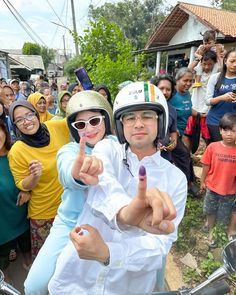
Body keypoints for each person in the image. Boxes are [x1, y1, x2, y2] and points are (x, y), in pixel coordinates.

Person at [48, 82, 187, 295]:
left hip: (129, 286)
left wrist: (108, 253)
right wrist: (126, 214)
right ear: (120, 126)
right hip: (78, 280)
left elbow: (160, 247)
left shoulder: (176, 179)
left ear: (161, 122)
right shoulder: (107, 149)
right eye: (130, 118)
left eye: (147, 116)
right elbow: (104, 185)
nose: (138, 124)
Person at [25, 90, 114, 295]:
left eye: (94, 120)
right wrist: (78, 173)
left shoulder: (120, 148)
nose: (89, 128)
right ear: (73, 129)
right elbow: (68, 173)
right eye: (80, 124)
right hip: (70, 223)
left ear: (106, 119)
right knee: (34, 286)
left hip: (109, 225)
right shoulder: (70, 151)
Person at [8, 100, 70, 260]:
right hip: (44, 214)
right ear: (15, 125)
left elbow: (78, 118)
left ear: (36, 114)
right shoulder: (17, 150)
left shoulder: (55, 127)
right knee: (48, 261)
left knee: (72, 258)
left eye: (29, 115)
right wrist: (34, 176)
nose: (26, 121)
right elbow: (21, 184)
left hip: (71, 206)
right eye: (20, 119)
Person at [0, 119, 31, 281]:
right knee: (3, 255)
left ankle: (28, 264)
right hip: (1, 218)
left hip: (21, 211)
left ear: (4, 131)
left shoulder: (17, 151)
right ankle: (5, 281)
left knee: (26, 245)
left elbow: (31, 174)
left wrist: (27, 191)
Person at [200, 113, 236, 246]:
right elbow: (205, 165)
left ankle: (216, 231)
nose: (229, 134)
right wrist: (202, 181)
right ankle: (210, 226)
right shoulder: (213, 147)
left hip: (229, 191)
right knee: (210, 209)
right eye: (226, 130)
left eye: (233, 131)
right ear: (220, 130)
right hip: (212, 188)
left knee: (223, 213)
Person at [168, 68, 199, 196]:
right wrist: (172, 130)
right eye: (185, 80)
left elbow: (186, 108)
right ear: (177, 80)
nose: (188, 83)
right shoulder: (172, 94)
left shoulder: (186, 94)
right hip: (171, 133)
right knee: (183, 155)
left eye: (191, 81)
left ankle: (189, 181)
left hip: (180, 131)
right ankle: (187, 184)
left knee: (185, 155)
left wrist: (199, 114)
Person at [184, 50, 219, 152]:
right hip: (194, 107)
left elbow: (221, 65)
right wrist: (198, 58)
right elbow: (188, 69)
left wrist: (219, 53)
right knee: (188, 133)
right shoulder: (198, 71)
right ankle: (188, 155)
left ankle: (206, 156)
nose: (207, 67)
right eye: (204, 64)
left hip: (207, 109)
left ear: (214, 63)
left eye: (210, 64)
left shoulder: (216, 73)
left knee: (206, 136)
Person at [205, 47, 236, 142]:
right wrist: (222, 97)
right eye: (232, 61)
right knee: (216, 149)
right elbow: (207, 101)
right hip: (215, 121)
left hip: (234, 123)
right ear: (225, 61)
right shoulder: (215, 78)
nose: (235, 65)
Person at [150, 75, 177, 162]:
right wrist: (154, 145)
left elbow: (173, 131)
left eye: (168, 89)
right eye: (161, 88)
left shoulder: (172, 110)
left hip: (165, 157)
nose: (164, 92)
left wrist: (173, 142)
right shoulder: (146, 108)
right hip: (148, 156)